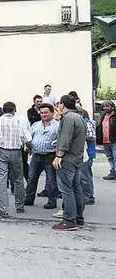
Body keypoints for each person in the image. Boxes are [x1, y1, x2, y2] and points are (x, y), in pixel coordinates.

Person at [0, 101, 32, 218]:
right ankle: (20, 205)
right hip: (17, 152)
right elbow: (27, 139)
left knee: (2, 180)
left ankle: (4, 208)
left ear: (3, 110)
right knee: (18, 179)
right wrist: (30, 149)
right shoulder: (19, 121)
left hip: (2, 151)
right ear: (14, 110)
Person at [53, 95, 87, 231]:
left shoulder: (67, 118)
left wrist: (59, 155)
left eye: (59, 104)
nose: (58, 106)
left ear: (63, 105)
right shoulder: (79, 117)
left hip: (67, 158)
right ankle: (79, 217)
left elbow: (66, 138)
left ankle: (69, 220)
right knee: (76, 187)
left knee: (66, 189)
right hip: (77, 157)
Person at [24, 103, 59, 209]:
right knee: (31, 178)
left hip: (50, 155)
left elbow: (61, 139)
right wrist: (28, 147)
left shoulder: (58, 125)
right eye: (42, 112)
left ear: (52, 113)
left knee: (51, 180)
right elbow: (29, 137)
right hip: (36, 155)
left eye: (46, 112)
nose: (43, 115)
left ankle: (52, 201)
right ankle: (29, 199)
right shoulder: (35, 125)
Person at [96, 101, 115, 181]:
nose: (105, 108)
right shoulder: (103, 116)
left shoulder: (114, 116)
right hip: (105, 141)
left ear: (112, 107)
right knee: (110, 157)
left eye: (107, 106)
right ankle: (113, 172)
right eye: (104, 106)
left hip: (114, 140)